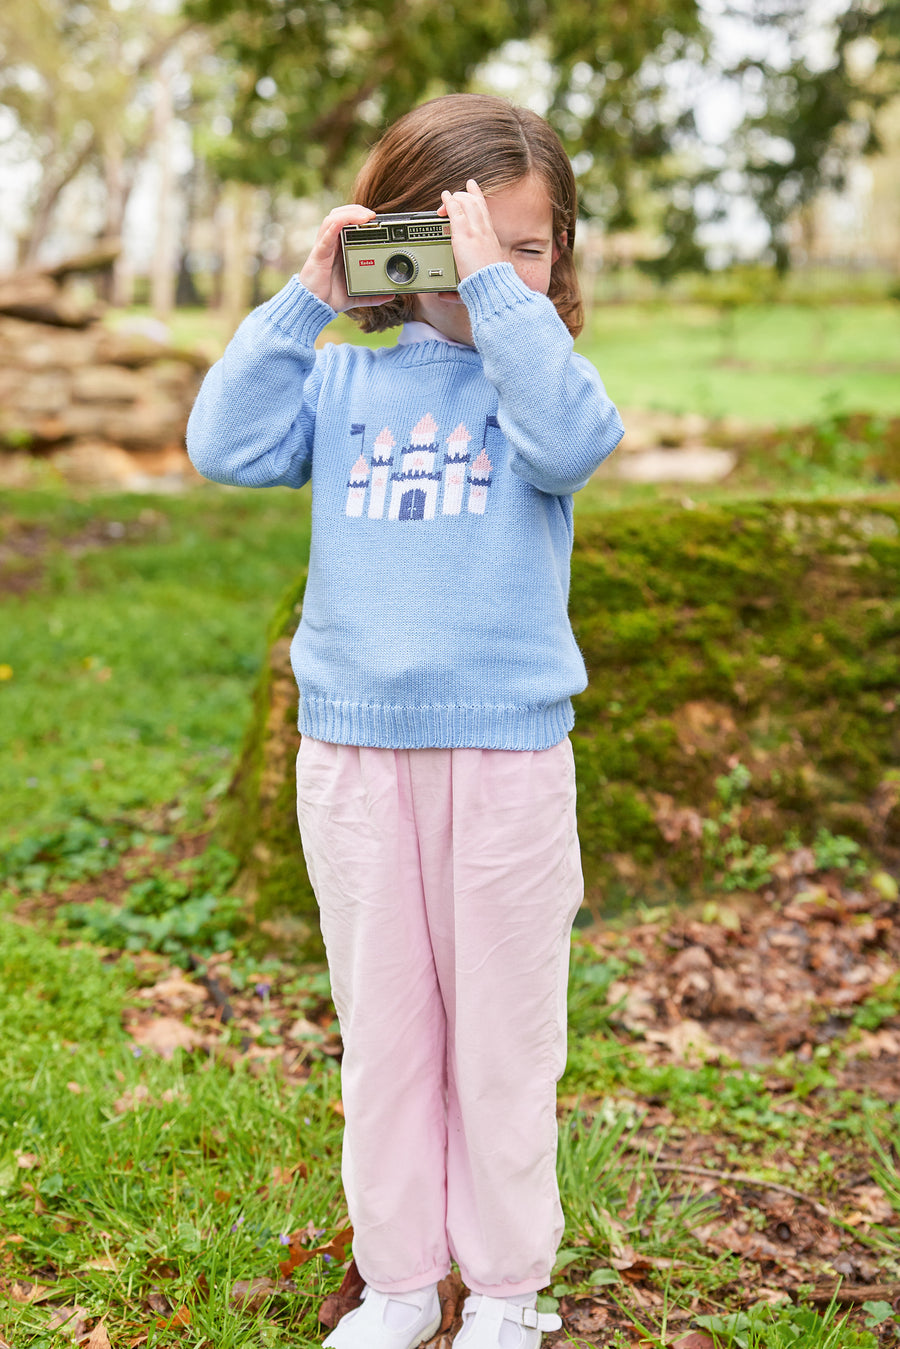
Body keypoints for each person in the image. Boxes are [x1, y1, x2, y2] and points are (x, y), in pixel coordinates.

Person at [187, 93, 624, 1349]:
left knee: (502, 1042)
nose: (496, 265)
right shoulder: (335, 383)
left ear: (557, 259)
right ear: (392, 236)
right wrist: (303, 297)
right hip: (358, 759)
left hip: (507, 764)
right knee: (387, 1035)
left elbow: (578, 436)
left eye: (529, 245)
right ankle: (395, 1280)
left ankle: (501, 1289)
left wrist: (501, 299)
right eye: (459, 240)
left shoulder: (537, 389)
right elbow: (222, 442)